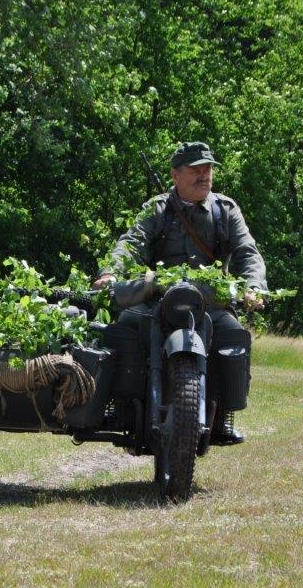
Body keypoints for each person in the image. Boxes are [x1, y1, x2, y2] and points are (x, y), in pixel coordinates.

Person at [91, 141, 267, 444]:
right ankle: (118, 405)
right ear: (175, 174)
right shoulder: (158, 208)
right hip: (157, 297)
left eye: (208, 169)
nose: (204, 175)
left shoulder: (226, 209)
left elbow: (247, 252)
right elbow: (130, 244)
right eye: (195, 170)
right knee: (124, 328)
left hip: (209, 301)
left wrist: (253, 287)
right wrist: (110, 272)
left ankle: (222, 414)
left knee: (232, 333)